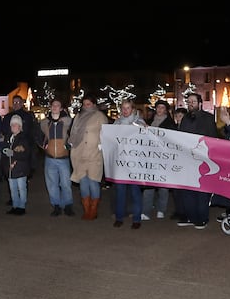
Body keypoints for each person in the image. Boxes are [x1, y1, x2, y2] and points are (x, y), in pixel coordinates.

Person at [176, 93, 218, 229]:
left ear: (200, 103)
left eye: (193, 101)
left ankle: (202, 218)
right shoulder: (185, 119)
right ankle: (190, 216)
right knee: (188, 190)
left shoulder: (208, 118)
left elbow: (212, 138)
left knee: (201, 189)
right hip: (187, 159)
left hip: (203, 158)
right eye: (189, 102)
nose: (191, 103)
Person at [69, 93, 108, 220]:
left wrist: (101, 147)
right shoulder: (78, 116)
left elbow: (105, 134)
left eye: (89, 104)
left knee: (93, 182)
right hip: (79, 154)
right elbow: (73, 132)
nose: (86, 106)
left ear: (94, 104)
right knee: (83, 183)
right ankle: (86, 209)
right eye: (84, 104)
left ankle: (94, 209)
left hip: (94, 155)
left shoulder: (100, 116)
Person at [111, 99, 147, 229]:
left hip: (134, 164)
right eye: (123, 108)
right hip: (120, 163)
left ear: (133, 109)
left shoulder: (140, 123)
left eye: (128, 108)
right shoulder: (116, 123)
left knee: (135, 192)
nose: (125, 111)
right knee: (120, 193)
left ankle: (136, 219)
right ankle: (119, 217)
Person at [36, 98, 74, 216]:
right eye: (53, 105)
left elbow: (75, 134)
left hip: (63, 158)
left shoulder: (69, 122)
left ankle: (67, 205)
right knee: (52, 184)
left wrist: (69, 145)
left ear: (61, 108)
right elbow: (37, 135)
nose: (55, 107)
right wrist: (42, 145)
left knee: (66, 183)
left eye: (57, 105)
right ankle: (56, 205)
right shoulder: (44, 122)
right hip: (50, 158)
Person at [141, 100, 177, 220]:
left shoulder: (170, 123)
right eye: (158, 107)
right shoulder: (149, 122)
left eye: (162, 108)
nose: (160, 110)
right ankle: (146, 211)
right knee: (149, 185)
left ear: (166, 110)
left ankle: (161, 209)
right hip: (150, 157)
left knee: (163, 186)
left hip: (163, 158)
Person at [1, 114, 31, 214]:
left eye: (16, 124)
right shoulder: (8, 138)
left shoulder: (23, 138)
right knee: (12, 189)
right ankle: (15, 205)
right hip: (10, 169)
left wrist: (13, 153)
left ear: (20, 126)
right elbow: (4, 151)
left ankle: (21, 207)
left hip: (20, 168)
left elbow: (25, 154)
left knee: (21, 188)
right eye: (12, 124)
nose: (13, 126)